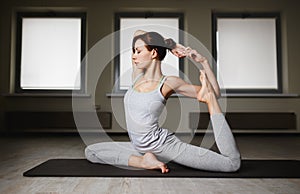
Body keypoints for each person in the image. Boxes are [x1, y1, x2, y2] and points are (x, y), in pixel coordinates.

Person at [85, 30, 241, 173]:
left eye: (138, 51)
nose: (133, 56)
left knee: (231, 164)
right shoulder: (137, 75)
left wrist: (204, 62)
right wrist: (172, 44)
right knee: (91, 152)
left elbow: (216, 93)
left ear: (153, 53)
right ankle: (143, 161)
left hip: (164, 146)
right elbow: (138, 33)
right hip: (139, 147)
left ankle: (146, 159)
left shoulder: (169, 83)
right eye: (134, 51)